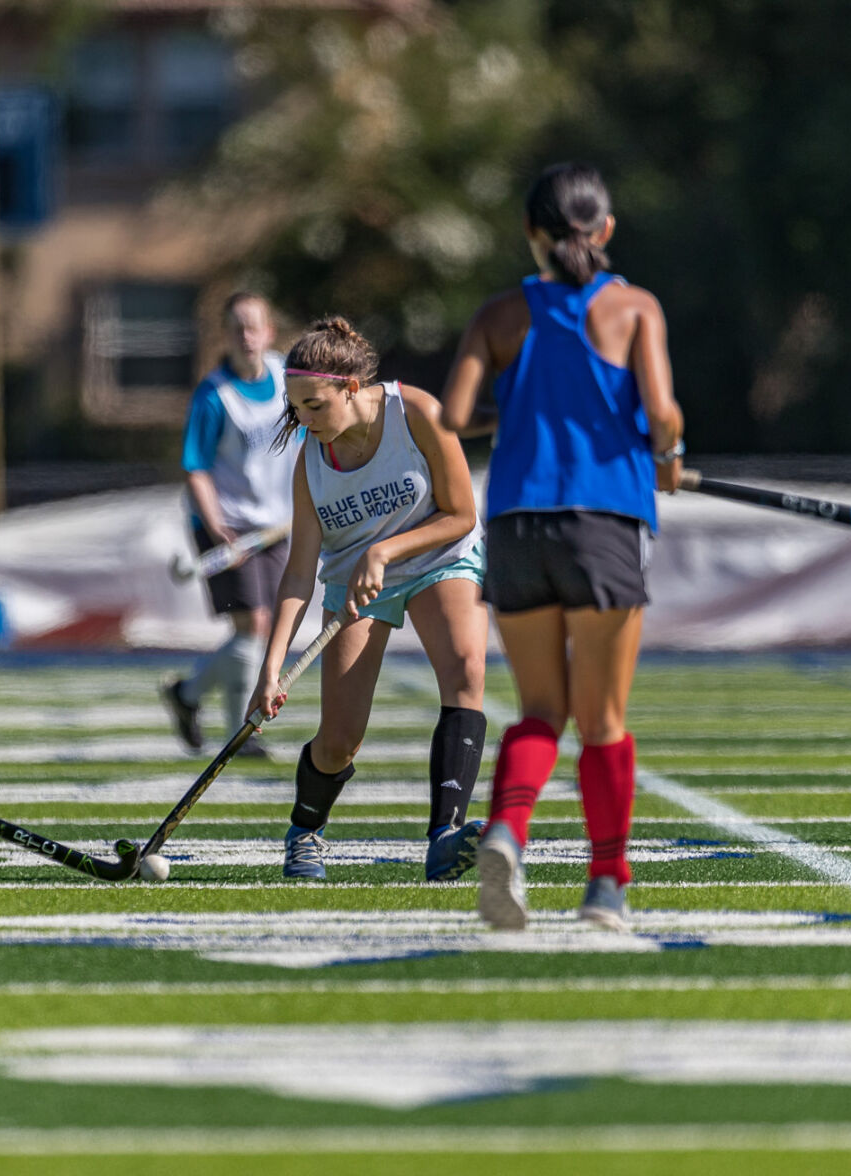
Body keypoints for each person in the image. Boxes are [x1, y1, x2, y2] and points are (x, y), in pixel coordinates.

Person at [443, 162, 685, 932]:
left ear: (530, 234)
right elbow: (663, 414)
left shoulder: (499, 313)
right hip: (603, 521)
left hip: (515, 523)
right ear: (604, 230)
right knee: (602, 718)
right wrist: (668, 456)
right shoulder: (635, 307)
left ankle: (507, 831)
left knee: (539, 711)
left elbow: (452, 416)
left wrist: (513, 409)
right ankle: (606, 884)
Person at [248, 316, 490, 882]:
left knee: (464, 670)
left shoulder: (418, 414)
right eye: (295, 407)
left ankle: (445, 837)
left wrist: (383, 553)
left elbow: (461, 515)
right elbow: (299, 574)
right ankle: (305, 831)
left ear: (350, 388)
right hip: (352, 583)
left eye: (313, 406)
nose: (302, 420)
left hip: (439, 557)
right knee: (339, 740)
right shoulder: (312, 464)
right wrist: (272, 666)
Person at [161, 293, 299, 760]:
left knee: (266, 626)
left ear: (269, 332)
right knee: (253, 623)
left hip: (278, 524)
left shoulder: (286, 377)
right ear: (227, 335)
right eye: (237, 327)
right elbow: (195, 466)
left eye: (254, 326)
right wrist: (218, 525)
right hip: (227, 524)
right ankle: (242, 734)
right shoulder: (214, 394)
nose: (246, 336)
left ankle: (187, 694)